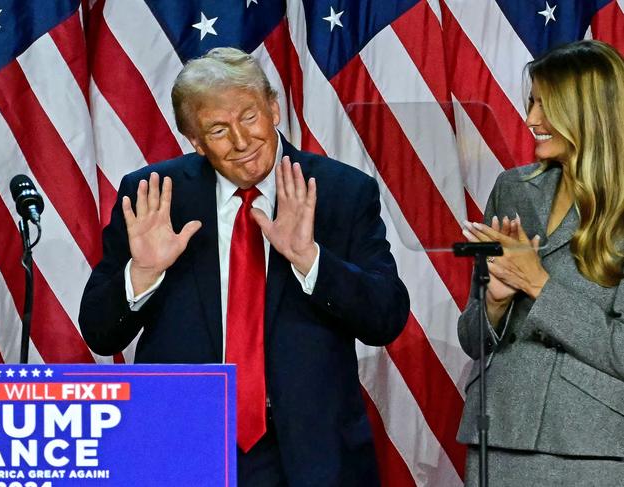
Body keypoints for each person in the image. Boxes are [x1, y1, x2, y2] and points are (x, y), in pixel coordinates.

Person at [78, 47, 409, 486]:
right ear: (194, 140)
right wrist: (143, 273)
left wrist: (311, 260)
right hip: (184, 446)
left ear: (273, 108)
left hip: (311, 454)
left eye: (249, 117)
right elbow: (101, 332)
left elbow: (386, 317)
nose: (240, 140)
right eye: (217, 129)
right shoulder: (155, 197)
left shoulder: (340, 192)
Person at [457, 39, 624, 485]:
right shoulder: (512, 189)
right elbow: (473, 339)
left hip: (593, 446)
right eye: (532, 103)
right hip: (498, 431)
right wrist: (493, 304)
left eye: (546, 107)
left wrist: (539, 286)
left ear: (588, 112)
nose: (530, 120)